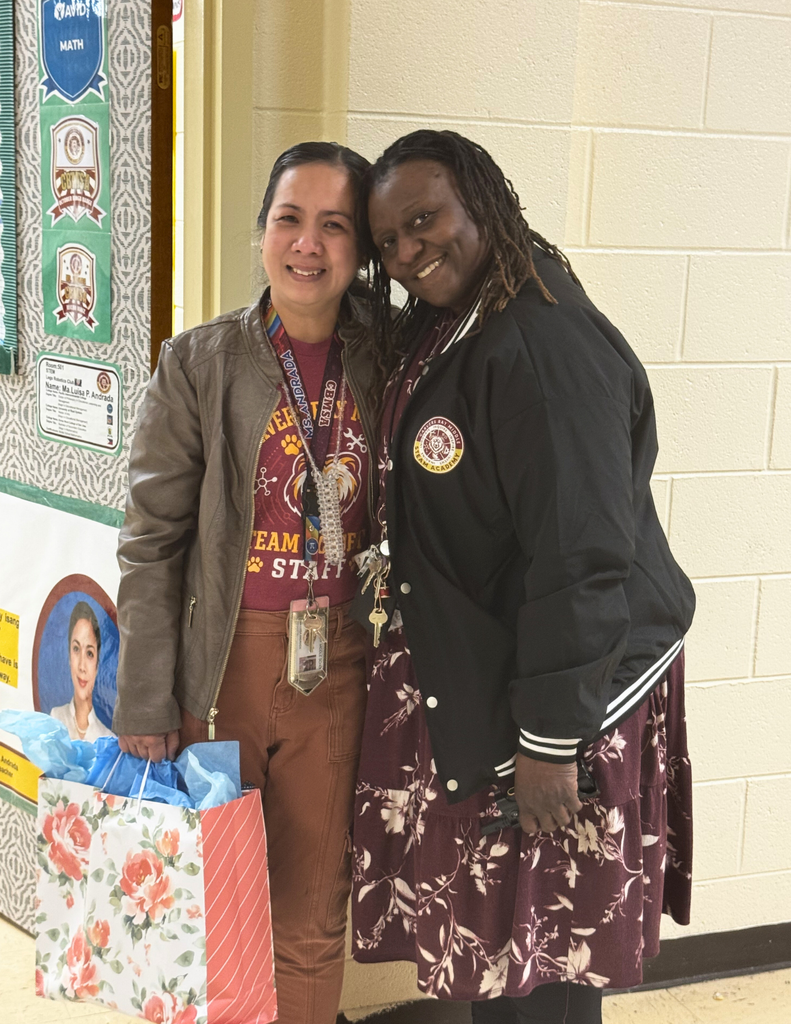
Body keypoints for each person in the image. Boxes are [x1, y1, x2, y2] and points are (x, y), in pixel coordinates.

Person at [350, 130, 696, 1024]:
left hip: (560, 706)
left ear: (482, 203)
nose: (409, 253)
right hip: (507, 687)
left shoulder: (538, 346)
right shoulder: (466, 317)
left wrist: (549, 742)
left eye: (424, 221)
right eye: (388, 241)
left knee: (540, 964)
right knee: (504, 959)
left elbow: (579, 554)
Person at [112, 142, 380, 1024]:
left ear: (361, 248)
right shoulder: (199, 364)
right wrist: (146, 698)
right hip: (217, 673)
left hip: (335, 672)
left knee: (309, 913)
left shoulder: (388, 362)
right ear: (261, 233)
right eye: (289, 219)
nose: (309, 244)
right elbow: (153, 543)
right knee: (208, 900)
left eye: (335, 224)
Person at [50, 600, 114, 742]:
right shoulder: (56, 718)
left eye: (90, 653)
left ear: (97, 665)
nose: (82, 666)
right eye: (76, 649)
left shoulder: (107, 738)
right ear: (69, 656)